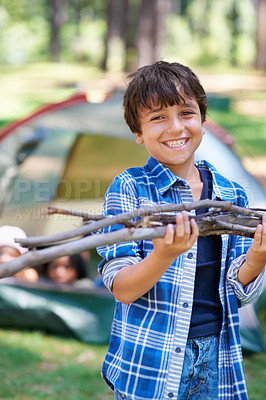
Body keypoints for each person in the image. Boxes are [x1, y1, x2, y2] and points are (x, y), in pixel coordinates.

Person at [97, 61, 266, 400]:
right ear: (138, 133)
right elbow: (122, 288)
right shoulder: (128, 189)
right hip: (149, 363)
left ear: (203, 119)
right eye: (158, 117)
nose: (176, 127)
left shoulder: (231, 195)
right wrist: (163, 255)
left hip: (216, 359)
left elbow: (238, 291)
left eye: (186, 113)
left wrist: (258, 258)